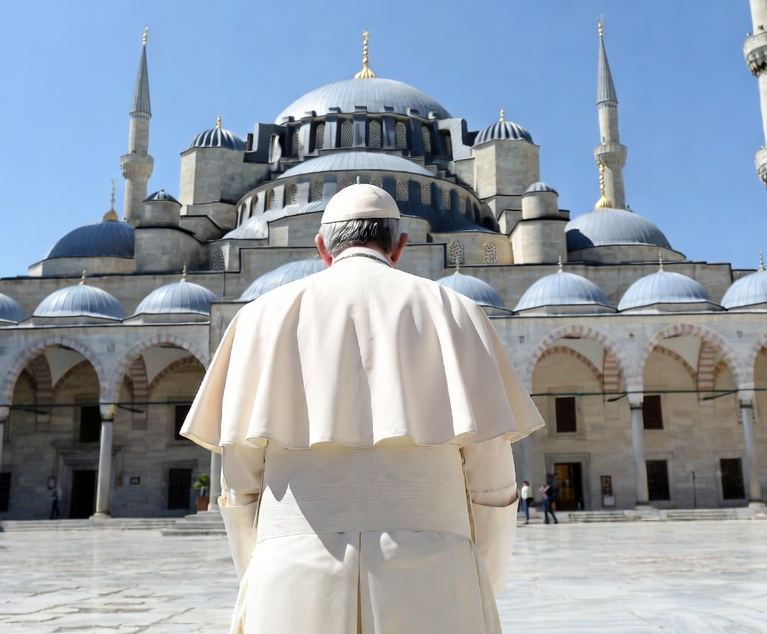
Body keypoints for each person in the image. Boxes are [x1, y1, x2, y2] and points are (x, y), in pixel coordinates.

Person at [182, 183, 543, 633]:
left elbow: (239, 481)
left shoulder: (259, 317)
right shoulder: (457, 311)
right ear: (401, 246)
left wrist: (259, 569)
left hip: (291, 573)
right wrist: (479, 579)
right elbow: (491, 476)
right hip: (434, 573)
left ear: (322, 248)